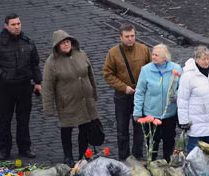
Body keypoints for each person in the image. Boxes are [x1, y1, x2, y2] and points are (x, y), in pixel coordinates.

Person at [0, 14, 41, 160]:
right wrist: (2, 74)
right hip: (5, 87)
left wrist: (38, 82)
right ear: (6, 26)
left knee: (24, 120)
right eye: (13, 24)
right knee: (5, 120)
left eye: (18, 24)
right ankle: (5, 150)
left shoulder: (27, 42)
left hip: (24, 86)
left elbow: (35, 63)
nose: (17, 27)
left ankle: (24, 147)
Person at [42, 30, 99, 166]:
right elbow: (48, 85)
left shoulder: (81, 54)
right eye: (63, 43)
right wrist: (48, 107)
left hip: (85, 100)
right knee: (66, 129)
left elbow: (90, 74)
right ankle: (68, 155)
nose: (66, 44)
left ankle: (83, 154)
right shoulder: (51, 62)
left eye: (68, 41)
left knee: (85, 127)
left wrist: (94, 93)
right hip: (67, 102)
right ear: (57, 45)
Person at [103, 23, 151, 161]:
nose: (130, 39)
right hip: (122, 96)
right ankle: (123, 158)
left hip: (140, 96)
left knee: (139, 129)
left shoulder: (144, 49)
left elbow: (151, 69)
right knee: (122, 130)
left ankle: (138, 156)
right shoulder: (113, 53)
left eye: (132, 36)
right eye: (127, 36)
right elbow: (108, 74)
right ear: (121, 37)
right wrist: (124, 87)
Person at [133, 44, 182, 162]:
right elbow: (140, 92)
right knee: (152, 143)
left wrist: (177, 96)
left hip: (169, 114)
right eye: (153, 54)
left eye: (156, 55)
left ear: (165, 57)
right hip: (151, 115)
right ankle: (152, 164)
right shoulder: (146, 70)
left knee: (169, 140)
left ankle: (168, 162)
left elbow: (182, 89)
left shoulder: (176, 69)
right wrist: (137, 112)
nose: (153, 57)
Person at [178, 46, 209, 153]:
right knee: (194, 152)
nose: (207, 61)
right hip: (196, 122)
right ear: (196, 59)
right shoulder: (188, 75)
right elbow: (182, 100)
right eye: (203, 59)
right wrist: (184, 121)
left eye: (208, 58)